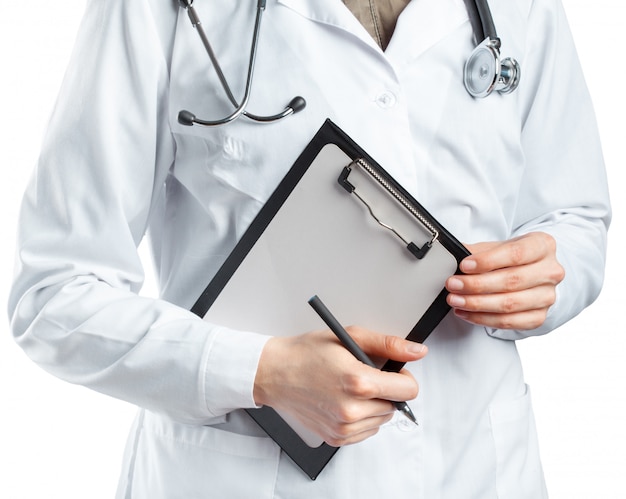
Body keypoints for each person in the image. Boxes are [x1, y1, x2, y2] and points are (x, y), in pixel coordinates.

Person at [8, 0, 610, 497]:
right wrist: (260, 374)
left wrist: (543, 276)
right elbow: (56, 292)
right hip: (241, 475)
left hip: (478, 467)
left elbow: (576, 218)